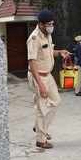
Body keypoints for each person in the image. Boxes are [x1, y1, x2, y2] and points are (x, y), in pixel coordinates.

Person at [27, 10, 70, 149]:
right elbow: (32, 63)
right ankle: (41, 139)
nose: (51, 26)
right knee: (42, 108)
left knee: (56, 101)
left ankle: (38, 127)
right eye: (48, 24)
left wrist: (59, 52)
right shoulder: (34, 38)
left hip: (48, 74)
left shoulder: (47, 35)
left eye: (52, 24)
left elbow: (49, 52)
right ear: (40, 24)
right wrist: (41, 85)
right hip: (38, 76)